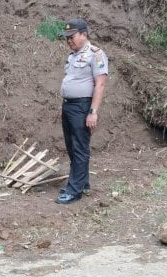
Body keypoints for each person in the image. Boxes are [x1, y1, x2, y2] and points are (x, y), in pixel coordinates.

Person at [56, 19, 108, 204]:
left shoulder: (96, 54)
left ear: (84, 34)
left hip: (82, 106)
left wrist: (93, 111)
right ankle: (82, 183)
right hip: (69, 105)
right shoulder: (72, 56)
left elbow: (100, 84)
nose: (69, 40)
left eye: (72, 36)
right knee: (72, 146)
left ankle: (74, 190)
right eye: (67, 38)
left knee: (80, 147)